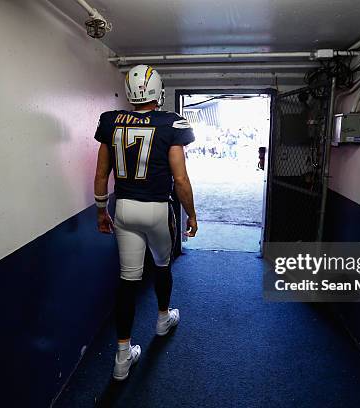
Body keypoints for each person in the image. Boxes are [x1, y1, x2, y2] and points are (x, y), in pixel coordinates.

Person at [93, 64, 198, 381]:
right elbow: (180, 179)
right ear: (157, 91)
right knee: (163, 265)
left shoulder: (111, 121)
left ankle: (122, 357)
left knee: (128, 281)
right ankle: (163, 319)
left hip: (123, 207)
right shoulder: (171, 123)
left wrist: (101, 210)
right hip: (156, 208)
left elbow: (101, 174)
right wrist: (191, 214)